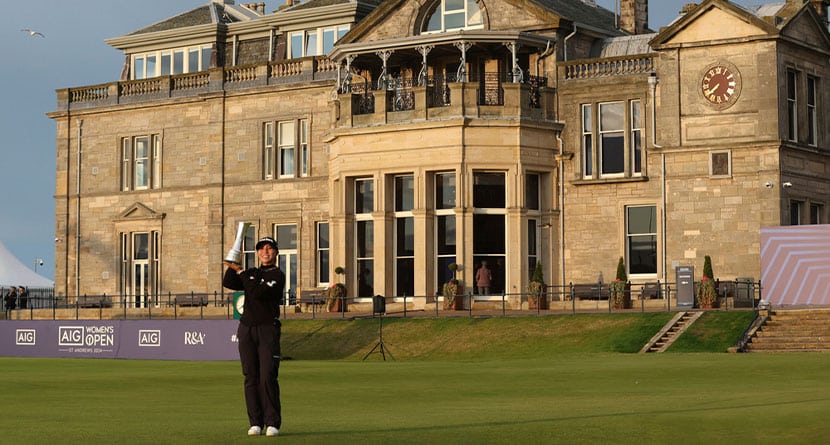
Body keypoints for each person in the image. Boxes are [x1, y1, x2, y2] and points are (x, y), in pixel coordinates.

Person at [223, 236, 285, 438]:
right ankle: (255, 422)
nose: (265, 252)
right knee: (250, 376)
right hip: (247, 328)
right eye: (261, 249)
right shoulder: (253, 273)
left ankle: (272, 422)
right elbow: (229, 282)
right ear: (257, 253)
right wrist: (234, 262)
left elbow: (257, 292)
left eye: (269, 248)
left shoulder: (277, 274)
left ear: (275, 252)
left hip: (268, 328)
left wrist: (241, 271)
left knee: (267, 375)